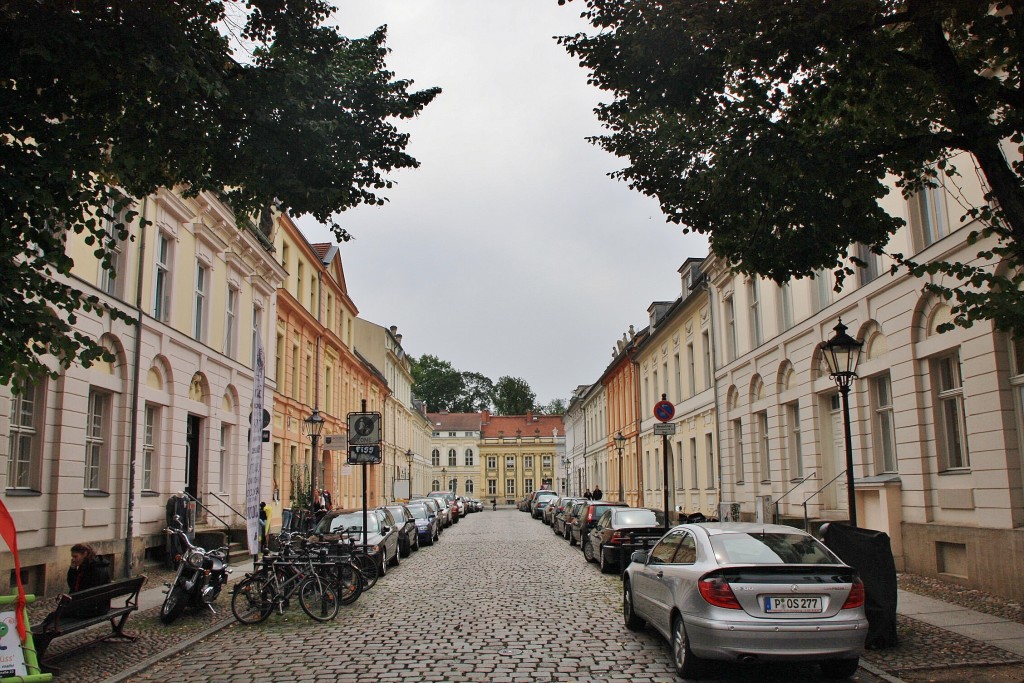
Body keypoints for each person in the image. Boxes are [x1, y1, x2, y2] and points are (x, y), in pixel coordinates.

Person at [65, 544, 111, 617]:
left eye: (75, 556)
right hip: (100, 607)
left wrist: (73, 569)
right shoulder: (96, 564)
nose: (73, 559)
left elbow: (73, 587)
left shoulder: (90, 569)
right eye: (72, 557)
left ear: (85, 554)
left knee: (54, 616)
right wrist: (73, 569)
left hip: (90, 609)